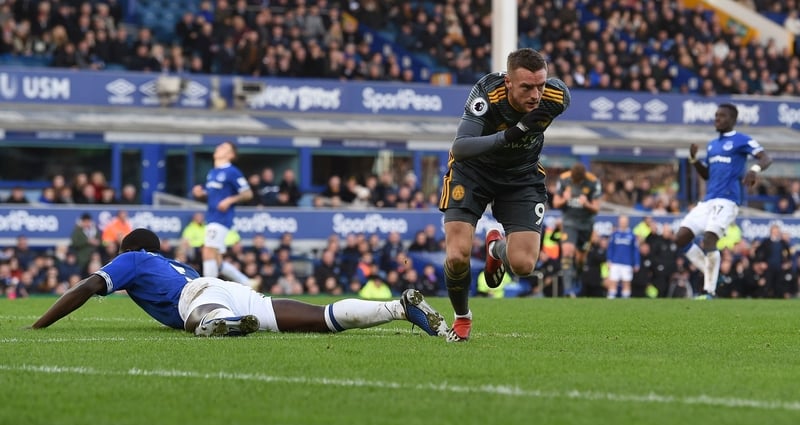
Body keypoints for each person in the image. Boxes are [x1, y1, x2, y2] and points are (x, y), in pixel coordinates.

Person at [29, 228, 448, 338]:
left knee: (199, 320)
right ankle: (397, 308)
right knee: (320, 318)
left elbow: (84, 287)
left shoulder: (132, 257)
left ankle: (220, 324)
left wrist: (39, 324)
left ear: (132, 249)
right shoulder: (173, 262)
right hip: (225, 288)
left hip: (201, 295)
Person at [438, 48, 570, 342]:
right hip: (473, 173)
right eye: (527, 87)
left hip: (520, 177)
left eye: (541, 85)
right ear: (508, 82)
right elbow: (460, 148)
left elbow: (560, 95)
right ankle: (462, 318)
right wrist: (514, 132)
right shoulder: (487, 93)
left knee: (523, 266)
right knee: (457, 256)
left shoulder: (555, 97)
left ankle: (495, 250)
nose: (536, 95)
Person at [674, 103, 772, 300]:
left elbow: (765, 158)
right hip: (709, 200)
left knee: (710, 238)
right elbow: (707, 175)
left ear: (732, 120)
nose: (716, 119)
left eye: (721, 116)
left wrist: (754, 170)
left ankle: (708, 291)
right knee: (681, 237)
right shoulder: (712, 145)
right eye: (716, 115)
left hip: (728, 200)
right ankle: (714, 275)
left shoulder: (741, 140)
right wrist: (694, 160)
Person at [191, 141, 254, 286]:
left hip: (222, 218)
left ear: (231, 155)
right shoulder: (212, 172)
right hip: (212, 217)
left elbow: (248, 193)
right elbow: (213, 194)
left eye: (224, 147)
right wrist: (201, 193)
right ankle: (247, 282)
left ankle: (209, 288)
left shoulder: (232, 171)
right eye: (219, 146)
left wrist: (230, 200)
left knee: (207, 250)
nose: (219, 148)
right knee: (217, 260)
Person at [551, 162, 602, 296]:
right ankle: (568, 290)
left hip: (586, 224)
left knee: (580, 258)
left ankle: (577, 277)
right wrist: (564, 199)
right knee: (567, 252)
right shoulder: (563, 179)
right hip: (569, 221)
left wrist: (587, 204)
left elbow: (596, 208)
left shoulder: (593, 182)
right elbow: (556, 203)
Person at [605, 215, 640, 299]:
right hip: (615, 262)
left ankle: (626, 302)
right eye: (621, 221)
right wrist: (609, 260)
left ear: (627, 222)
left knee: (626, 283)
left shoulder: (632, 235)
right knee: (613, 282)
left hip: (627, 263)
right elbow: (610, 248)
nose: (623, 223)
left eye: (624, 221)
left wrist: (636, 263)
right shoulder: (614, 234)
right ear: (619, 222)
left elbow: (635, 250)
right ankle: (611, 300)